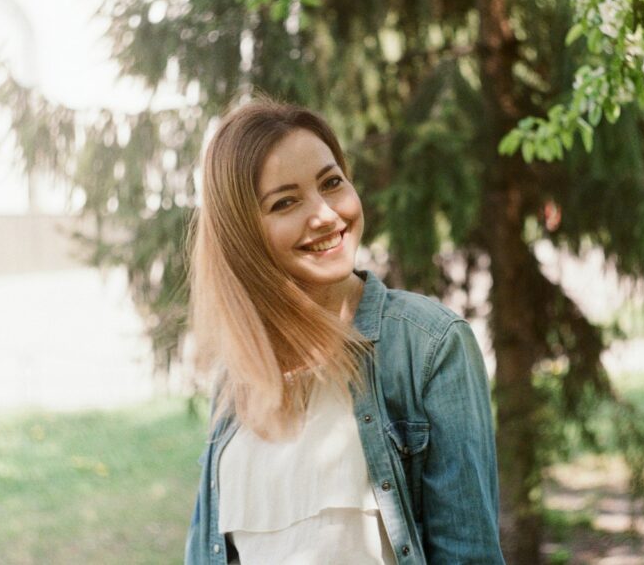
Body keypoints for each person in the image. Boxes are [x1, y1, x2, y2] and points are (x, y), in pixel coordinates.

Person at [183, 97, 505, 565]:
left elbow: (468, 554)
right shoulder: (237, 373)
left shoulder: (428, 347)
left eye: (331, 183)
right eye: (285, 202)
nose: (326, 215)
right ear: (242, 234)